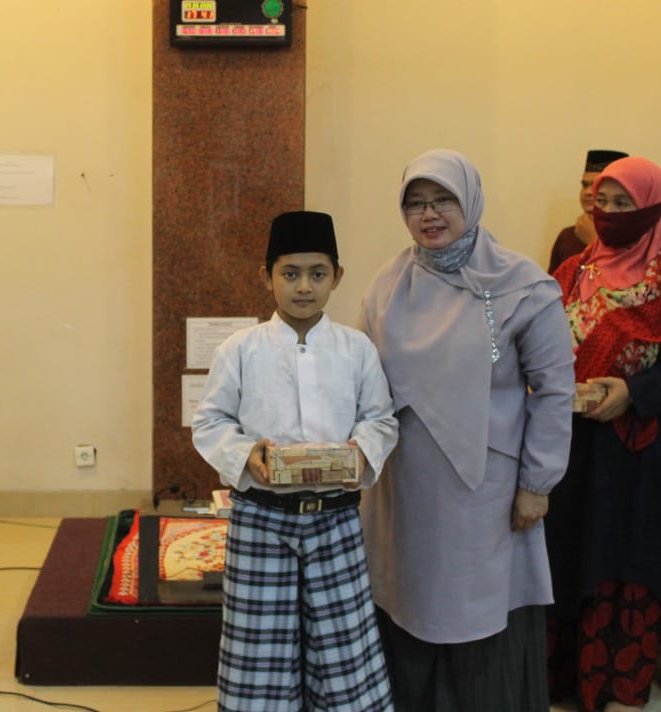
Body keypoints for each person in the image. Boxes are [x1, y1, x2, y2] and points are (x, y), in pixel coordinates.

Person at [359, 149, 575, 711]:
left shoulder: (522, 284)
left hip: (488, 493)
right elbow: (358, 377)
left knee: (480, 621)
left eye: (442, 200)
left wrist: (538, 484)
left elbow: (554, 390)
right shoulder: (388, 284)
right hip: (405, 489)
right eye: (415, 204)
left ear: (470, 201)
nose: (428, 215)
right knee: (412, 609)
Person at [192, 210, 398, 712]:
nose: (304, 287)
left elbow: (381, 420)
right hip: (260, 519)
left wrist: (359, 452)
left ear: (337, 277)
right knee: (257, 657)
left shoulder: (357, 349)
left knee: (343, 652)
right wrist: (247, 454)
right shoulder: (240, 350)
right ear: (266, 277)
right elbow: (210, 422)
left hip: (335, 522)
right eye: (290, 274)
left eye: (317, 273)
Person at [545, 156, 661, 712]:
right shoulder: (573, 271)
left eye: (625, 204)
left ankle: (615, 692)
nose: (611, 214)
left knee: (627, 568)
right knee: (570, 558)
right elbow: (531, 346)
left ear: (652, 206)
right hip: (575, 452)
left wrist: (634, 393)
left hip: (640, 457)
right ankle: (563, 686)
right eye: (604, 202)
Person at [548, 149, 629, 274]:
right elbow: (552, 289)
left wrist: (594, 242)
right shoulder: (568, 235)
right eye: (585, 185)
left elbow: (626, 285)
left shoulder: (633, 239)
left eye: (596, 185)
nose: (588, 192)